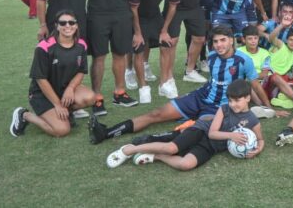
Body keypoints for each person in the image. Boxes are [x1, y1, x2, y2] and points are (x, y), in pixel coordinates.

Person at [88, 26, 271, 144]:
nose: (219, 45)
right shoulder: (212, 56)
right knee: (156, 114)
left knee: (191, 132)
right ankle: (106, 133)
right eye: (215, 41)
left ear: (231, 40)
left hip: (219, 109)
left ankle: (147, 141)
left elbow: (255, 86)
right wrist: (190, 96)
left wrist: (268, 107)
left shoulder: (243, 60)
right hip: (200, 97)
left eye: (223, 40)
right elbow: (214, 81)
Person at [105, 80, 264, 170]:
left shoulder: (252, 120)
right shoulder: (224, 109)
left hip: (211, 147)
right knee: (171, 148)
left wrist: (257, 150)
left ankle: (156, 156)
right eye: (230, 100)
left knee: (186, 165)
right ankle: (129, 150)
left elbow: (260, 139)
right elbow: (212, 133)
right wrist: (231, 136)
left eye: (237, 100)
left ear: (248, 98)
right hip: (200, 132)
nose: (233, 104)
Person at [10, 10, 97, 137]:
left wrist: (70, 88)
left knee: (90, 97)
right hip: (42, 94)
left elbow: (80, 71)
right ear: (56, 25)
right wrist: (57, 104)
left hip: (63, 90)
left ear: (76, 25)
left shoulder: (81, 44)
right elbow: (40, 79)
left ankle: (66, 113)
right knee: (62, 130)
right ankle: (25, 115)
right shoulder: (44, 47)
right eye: (63, 23)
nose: (68, 26)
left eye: (71, 22)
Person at [127, 0, 180, 104]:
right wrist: (137, 33)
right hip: (138, 18)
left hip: (155, 16)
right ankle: (143, 87)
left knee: (166, 45)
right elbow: (133, 9)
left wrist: (164, 30)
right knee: (139, 48)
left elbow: (173, 6)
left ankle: (163, 84)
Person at [166, 0, 216, 90]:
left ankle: (189, 71)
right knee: (172, 42)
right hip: (176, 8)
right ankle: (168, 75)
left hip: (194, 8)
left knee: (199, 39)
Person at [263, 16, 293, 109]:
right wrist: (282, 25)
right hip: (267, 79)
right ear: (287, 40)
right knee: (276, 76)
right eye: (291, 40)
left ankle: (280, 98)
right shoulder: (281, 45)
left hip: (276, 83)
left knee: (290, 78)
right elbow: (271, 38)